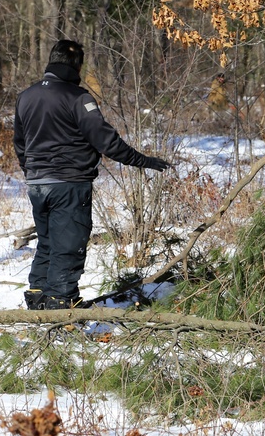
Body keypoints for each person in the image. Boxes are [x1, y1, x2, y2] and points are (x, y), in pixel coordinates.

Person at [13, 40, 172, 310]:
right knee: (69, 245)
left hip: (37, 183)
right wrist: (143, 161)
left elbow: (20, 143)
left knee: (48, 243)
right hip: (69, 183)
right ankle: (60, 307)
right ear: (76, 65)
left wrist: (32, 172)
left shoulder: (26, 95)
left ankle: (38, 299)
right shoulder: (78, 98)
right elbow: (106, 142)